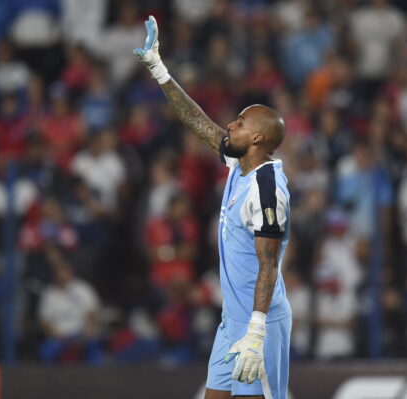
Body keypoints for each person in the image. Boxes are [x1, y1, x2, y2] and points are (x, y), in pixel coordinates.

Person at [134, 16, 292, 399]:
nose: (229, 127)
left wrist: (255, 332)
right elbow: (197, 121)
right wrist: (159, 69)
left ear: (257, 137)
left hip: (260, 325)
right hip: (232, 321)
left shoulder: (266, 190)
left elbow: (268, 265)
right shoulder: (239, 163)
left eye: (238, 123)